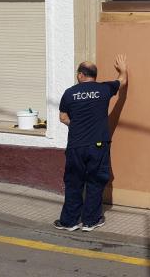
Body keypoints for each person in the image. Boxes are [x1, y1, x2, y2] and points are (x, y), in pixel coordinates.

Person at [54, 55, 128, 231]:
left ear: (80, 75)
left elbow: (63, 117)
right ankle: (91, 221)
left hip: (76, 146)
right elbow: (122, 81)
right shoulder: (104, 89)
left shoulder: (69, 93)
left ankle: (69, 222)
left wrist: (78, 125)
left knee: (73, 182)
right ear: (94, 75)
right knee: (95, 182)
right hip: (98, 145)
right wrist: (123, 69)